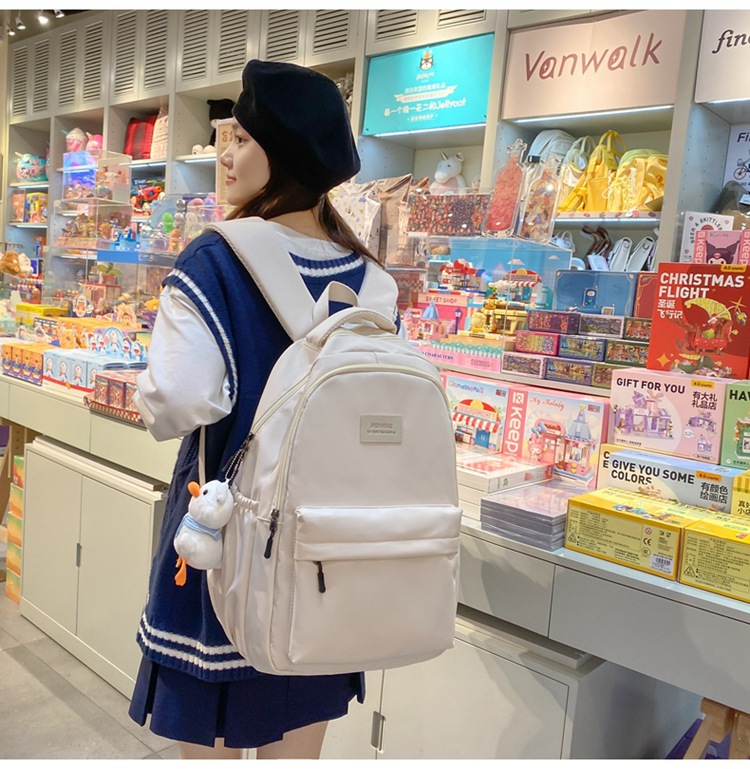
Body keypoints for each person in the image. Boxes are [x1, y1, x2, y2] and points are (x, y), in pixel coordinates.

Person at [128, 59, 400, 759]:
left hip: (225, 546)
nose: (226, 154)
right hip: (324, 556)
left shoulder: (216, 261)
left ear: (281, 156)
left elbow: (176, 401)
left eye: (243, 139)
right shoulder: (372, 281)